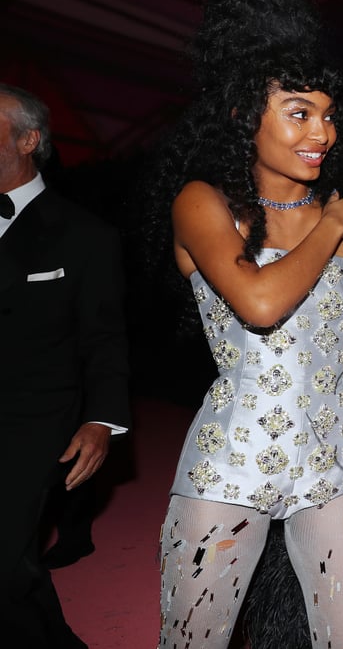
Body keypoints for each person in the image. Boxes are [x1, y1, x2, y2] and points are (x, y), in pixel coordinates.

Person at [142, 0, 343, 649]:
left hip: (332, 464)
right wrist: (334, 228)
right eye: (299, 112)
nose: (322, 133)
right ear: (245, 114)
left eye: (328, 115)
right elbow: (258, 301)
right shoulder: (204, 203)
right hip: (232, 462)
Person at [0, 82, 131, 647]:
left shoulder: (85, 236)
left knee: (3, 560)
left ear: (28, 139)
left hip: (32, 419)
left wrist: (101, 420)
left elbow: (104, 338)